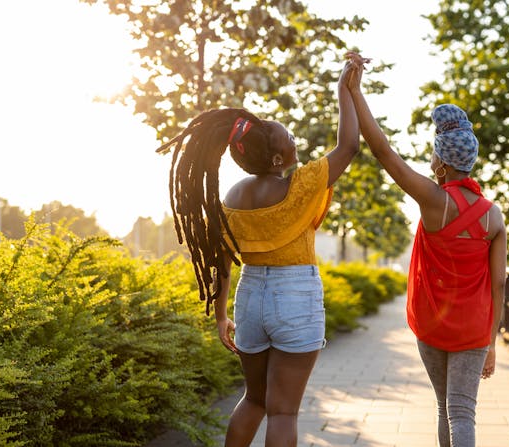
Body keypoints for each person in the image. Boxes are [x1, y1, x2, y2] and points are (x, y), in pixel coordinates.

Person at [155, 54, 363, 447]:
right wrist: (344, 89)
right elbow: (349, 145)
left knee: (253, 400)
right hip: (295, 295)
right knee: (283, 411)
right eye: (289, 137)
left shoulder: (230, 198)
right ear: (277, 158)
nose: (294, 139)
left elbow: (221, 265)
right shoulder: (299, 186)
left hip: (249, 297)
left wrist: (220, 316)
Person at [345, 53, 507, 447]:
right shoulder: (493, 217)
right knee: (462, 411)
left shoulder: (433, 200)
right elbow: (499, 282)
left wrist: (354, 91)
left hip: (433, 324)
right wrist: (492, 340)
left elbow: (383, 151)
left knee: (443, 408)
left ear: (441, 162)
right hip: (473, 329)